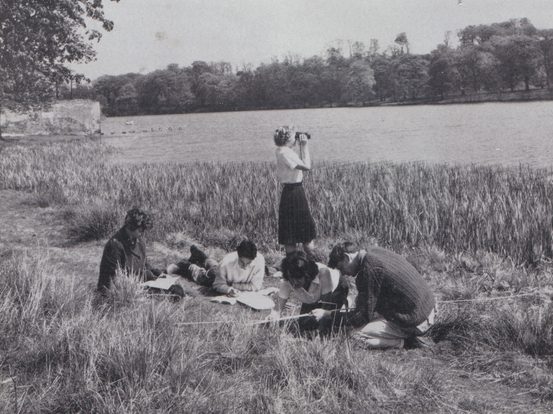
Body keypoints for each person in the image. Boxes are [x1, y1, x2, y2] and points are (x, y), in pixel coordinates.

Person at [314, 243, 436, 349]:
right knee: (362, 306)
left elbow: (361, 317)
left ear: (346, 258)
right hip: (427, 307)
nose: (344, 273)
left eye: (341, 268)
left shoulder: (370, 268)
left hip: (417, 320)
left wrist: (328, 315)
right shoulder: (371, 251)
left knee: (353, 336)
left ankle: (404, 342)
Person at [268, 251, 349, 334]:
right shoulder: (287, 281)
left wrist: (320, 331)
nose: (294, 283)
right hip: (313, 296)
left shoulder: (323, 273)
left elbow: (326, 308)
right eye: (291, 280)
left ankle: (342, 306)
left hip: (336, 289)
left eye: (298, 278)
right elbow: (278, 309)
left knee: (327, 326)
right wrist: (273, 316)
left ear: (307, 275)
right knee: (304, 325)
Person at [273, 126, 316, 258]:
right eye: (294, 136)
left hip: (287, 192)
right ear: (288, 139)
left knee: (289, 234)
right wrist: (304, 146)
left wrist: (296, 143)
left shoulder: (280, 150)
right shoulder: (286, 153)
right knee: (306, 235)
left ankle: (291, 264)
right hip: (296, 192)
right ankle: (313, 259)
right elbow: (307, 166)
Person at [97, 208, 161, 293]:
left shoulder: (139, 241)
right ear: (130, 227)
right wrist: (143, 277)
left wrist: (156, 273)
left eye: (143, 230)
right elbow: (114, 280)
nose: (142, 233)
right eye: (140, 230)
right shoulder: (114, 245)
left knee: (176, 290)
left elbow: (144, 263)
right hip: (119, 292)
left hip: (139, 284)